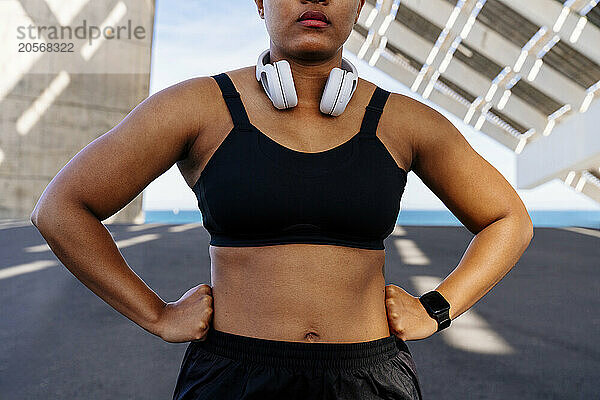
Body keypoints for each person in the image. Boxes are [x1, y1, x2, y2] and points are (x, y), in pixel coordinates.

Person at [30, 0, 534, 399]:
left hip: (369, 380)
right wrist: (157, 315)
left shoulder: (404, 121)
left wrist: (437, 308)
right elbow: (61, 208)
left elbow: (508, 218)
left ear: (360, 5)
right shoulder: (197, 107)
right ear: (259, 1)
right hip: (233, 378)